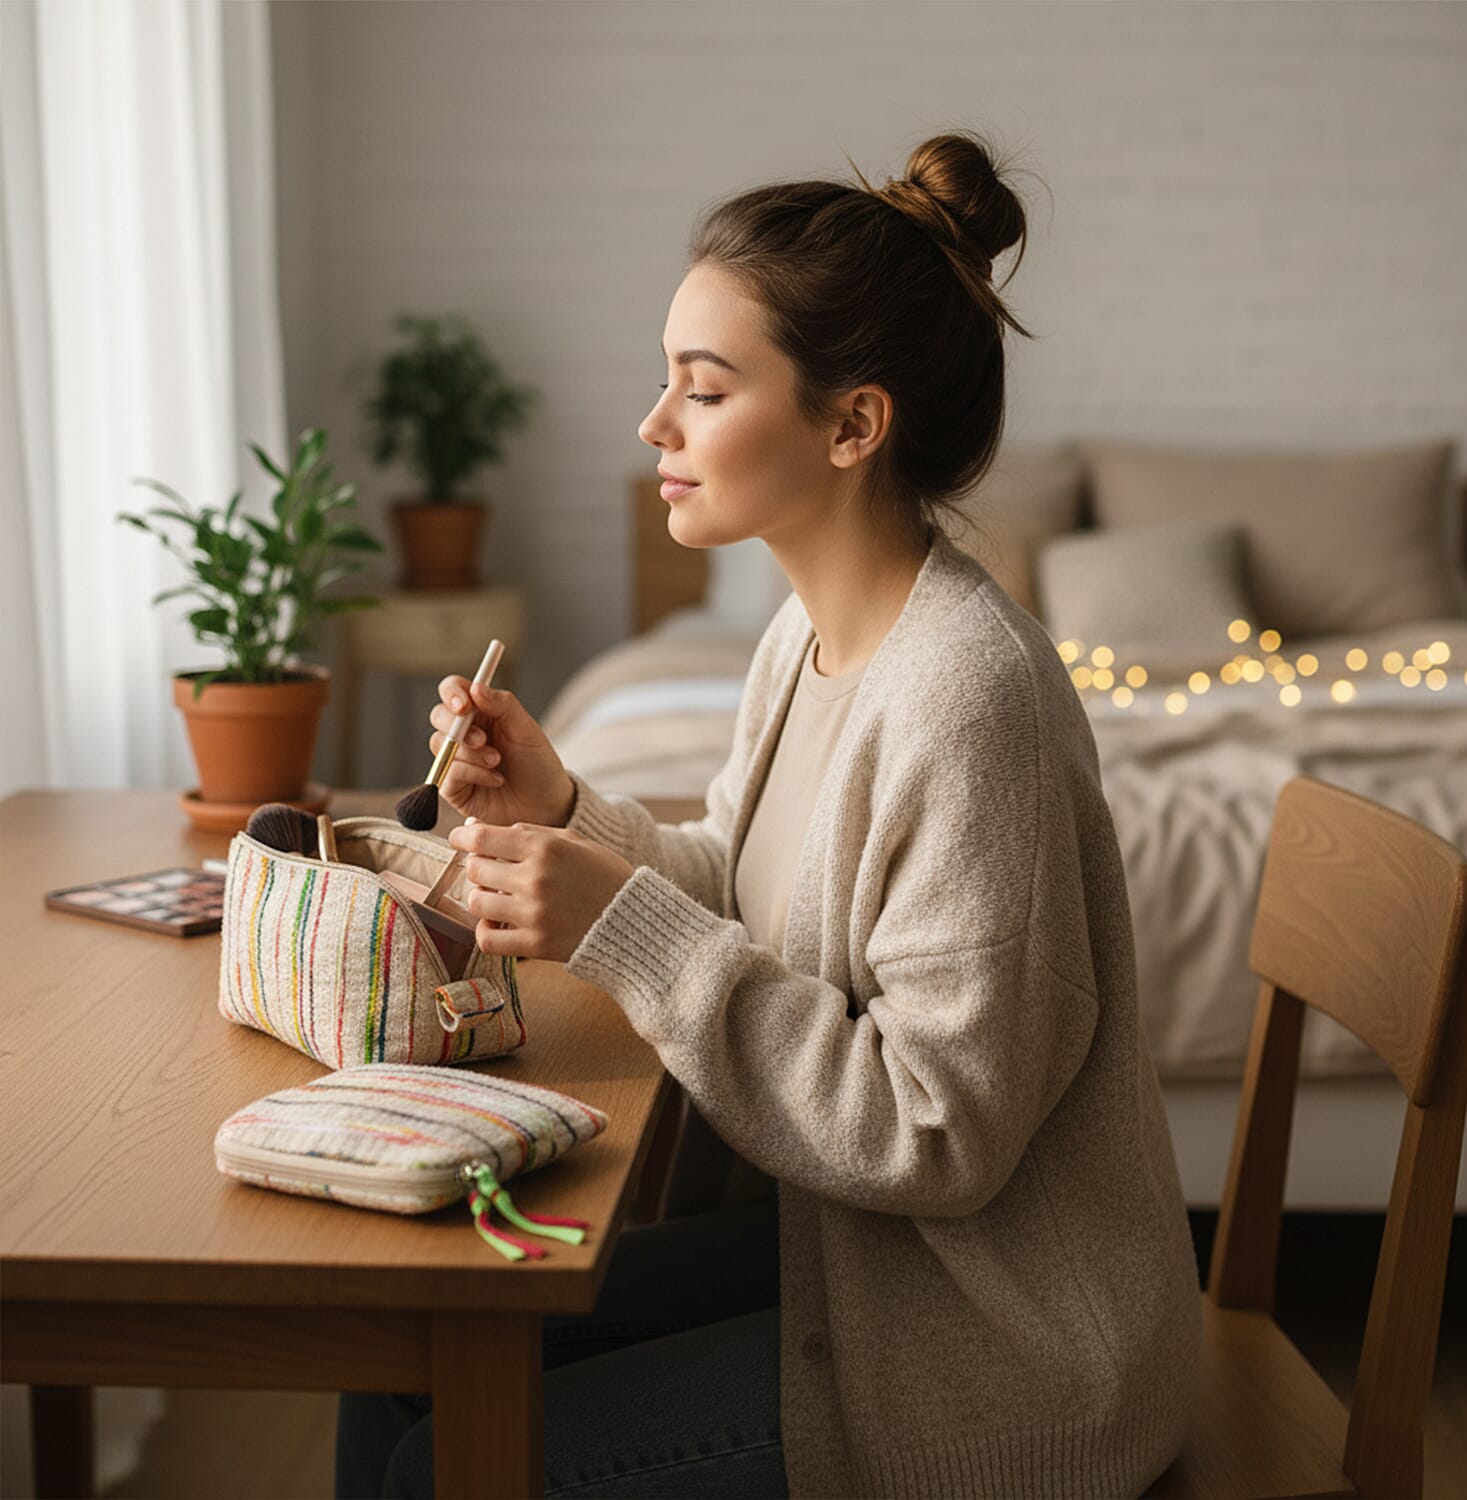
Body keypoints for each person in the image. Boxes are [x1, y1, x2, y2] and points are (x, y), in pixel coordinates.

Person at [335, 127, 1201, 1500]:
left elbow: (937, 1128)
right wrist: (565, 807)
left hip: (994, 1352)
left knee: (450, 1455)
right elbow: (744, 884)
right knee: (396, 1341)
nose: (654, 426)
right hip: (861, 1260)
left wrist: (621, 930)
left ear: (852, 425)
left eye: (704, 389)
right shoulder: (803, 640)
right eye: (665, 382)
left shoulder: (968, 701)